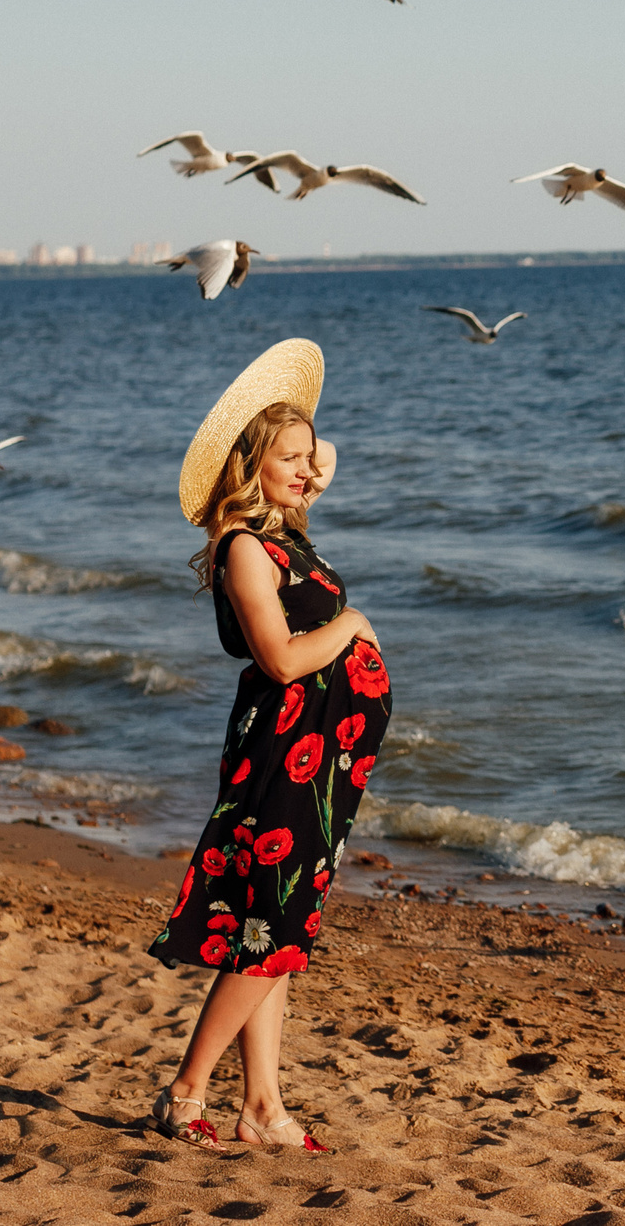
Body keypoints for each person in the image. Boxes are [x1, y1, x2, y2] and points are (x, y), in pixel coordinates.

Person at [148, 340, 392, 1151]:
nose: (307, 468)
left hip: (320, 759)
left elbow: (327, 454)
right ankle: (186, 1089)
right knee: (270, 930)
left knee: (276, 933)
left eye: (306, 456)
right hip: (283, 754)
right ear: (252, 461)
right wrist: (352, 625)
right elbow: (282, 658)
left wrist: (306, 452)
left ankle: (263, 1106)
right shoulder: (247, 549)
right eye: (286, 456)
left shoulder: (287, 534)